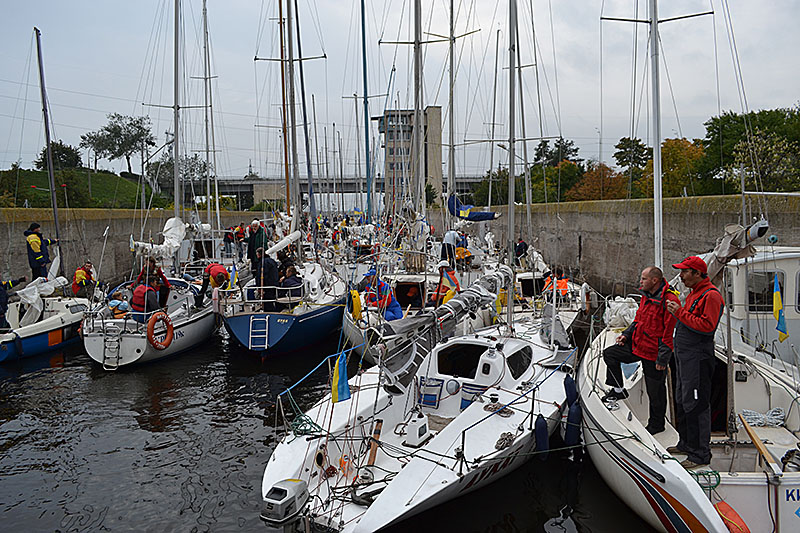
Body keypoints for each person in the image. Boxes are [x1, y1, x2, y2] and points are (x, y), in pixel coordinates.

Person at [601, 266, 680, 435]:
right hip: (638, 345)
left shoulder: (669, 301)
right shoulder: (646, 296)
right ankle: (618, 390)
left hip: (653, 353)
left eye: (644, 279)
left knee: (655, 392)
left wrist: (662, 359)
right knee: (610, 354)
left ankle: (657, 424)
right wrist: (626, 335)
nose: (640, 281)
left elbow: (668, 333)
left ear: (654, 280)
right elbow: (638, 320)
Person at [665, 256, 725, 469]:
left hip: (697, 358)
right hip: (685, 357)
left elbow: (707, 326)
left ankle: (700, 454)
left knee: (696, 404)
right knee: (683, 399)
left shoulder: (711, 296)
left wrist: (678, 312)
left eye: (684, 272)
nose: (681, 276)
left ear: (697, 273)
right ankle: (686, 443)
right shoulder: (694, 293)